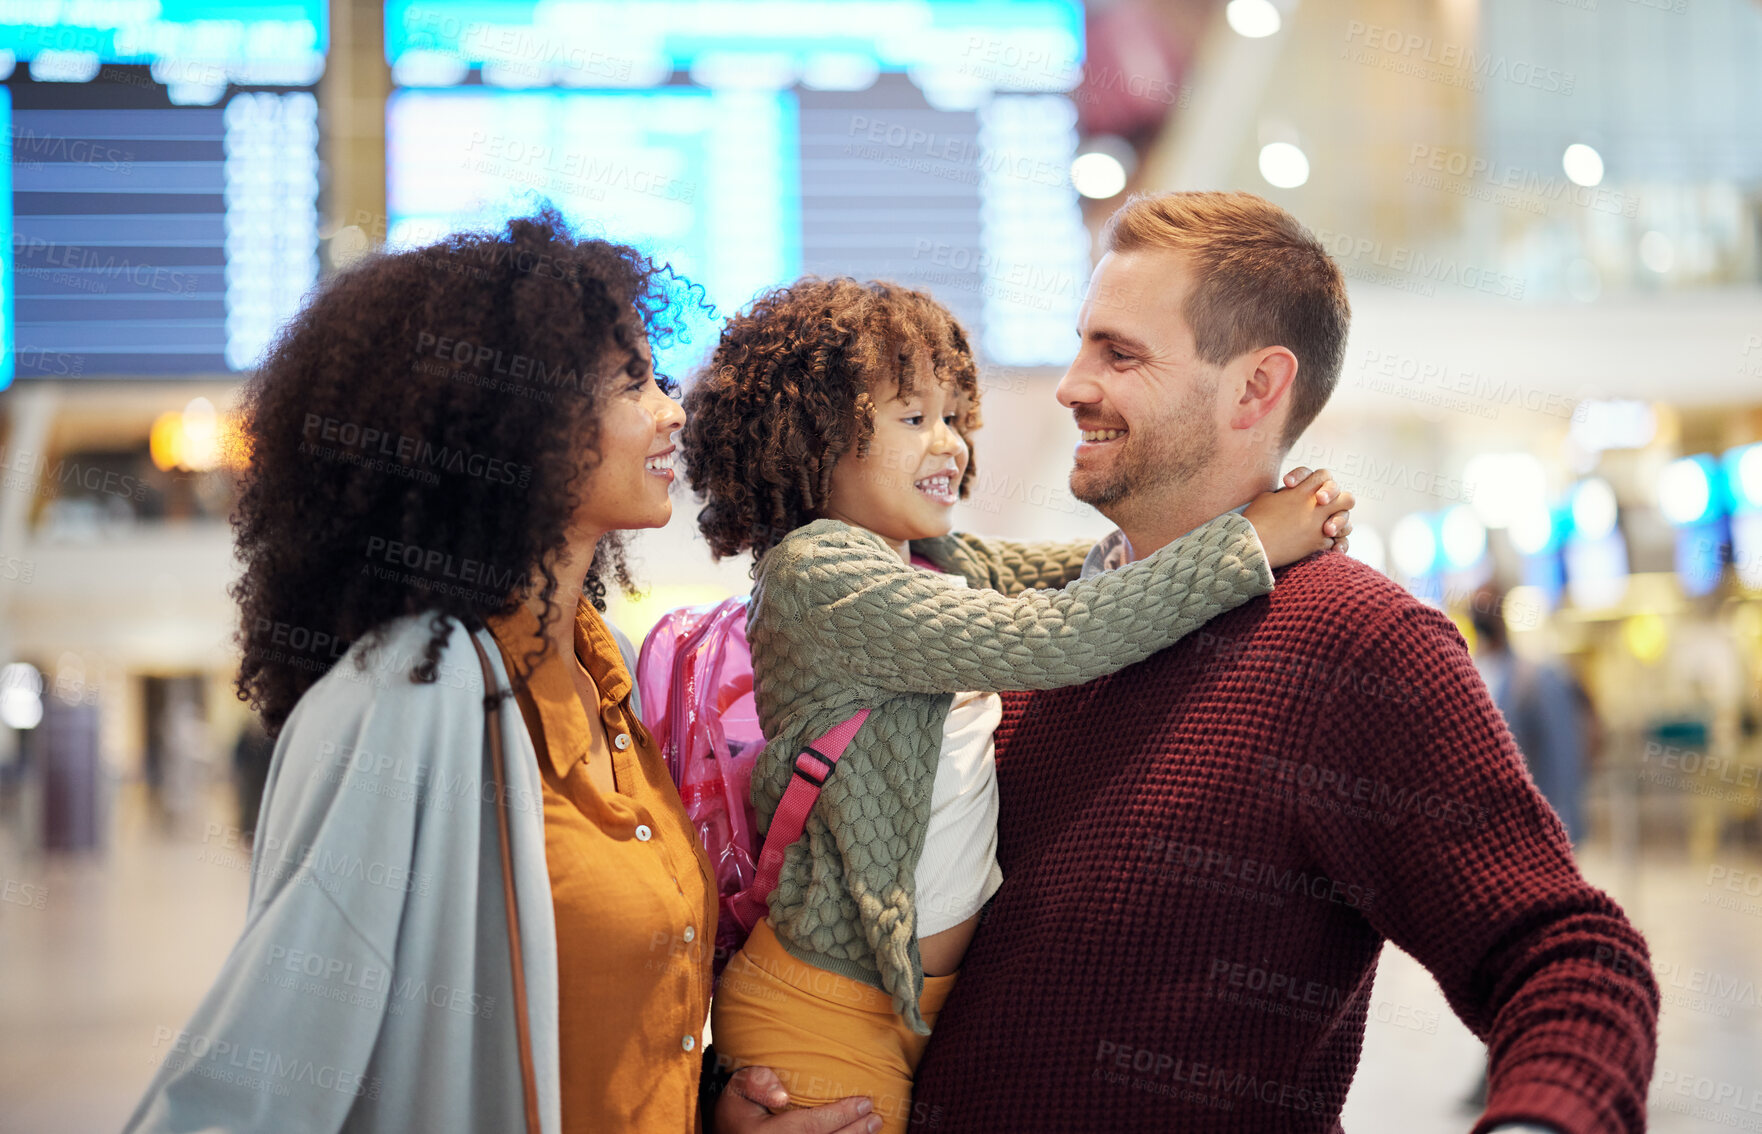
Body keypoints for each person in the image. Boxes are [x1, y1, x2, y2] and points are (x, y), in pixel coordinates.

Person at [906, 191, 1659, 1133]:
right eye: (1081, 343)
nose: (1070, 385)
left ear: (1256, 389)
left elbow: (1566, 953)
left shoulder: (1354, 647)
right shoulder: (1030, 640)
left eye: (1120, 353)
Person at [124, 209, 808, 1134]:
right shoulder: (409, 695)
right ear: (517, 427)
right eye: (632, 382)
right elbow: (265, 1068)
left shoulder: (612, 684)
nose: (670, 411)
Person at [678, 278, 1354, 1134]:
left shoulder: (926, 557)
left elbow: (1099, 567)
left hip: (908, 1006)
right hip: (825, 1012)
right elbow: (1059, 633)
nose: (951, 444)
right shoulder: (820, 574)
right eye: (912, 418)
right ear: (817, 435)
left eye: (957, 417)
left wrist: (1228, 517)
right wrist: (1252, 541)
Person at [1470, 585, 1590, 844]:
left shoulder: (1535, 679)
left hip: (1530, 828)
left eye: (1487, 604)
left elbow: (1562, 757)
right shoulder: (1466, 672)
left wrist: (1562, 828)